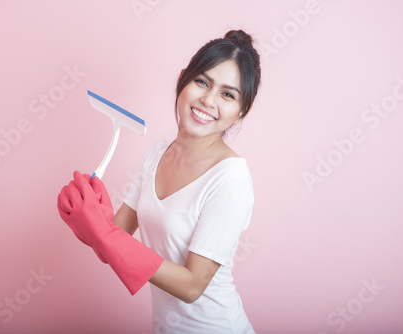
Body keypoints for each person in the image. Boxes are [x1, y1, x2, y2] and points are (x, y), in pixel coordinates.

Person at [57, 29, 261, 333]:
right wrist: (88, 221)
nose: (208, 99)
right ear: (182, 79)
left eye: (227, 94)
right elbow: (111, 248)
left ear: (241, 111)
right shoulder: (159, 152)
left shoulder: (230, 178)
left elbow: (193, 286)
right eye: (202, 81)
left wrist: (106, 234)